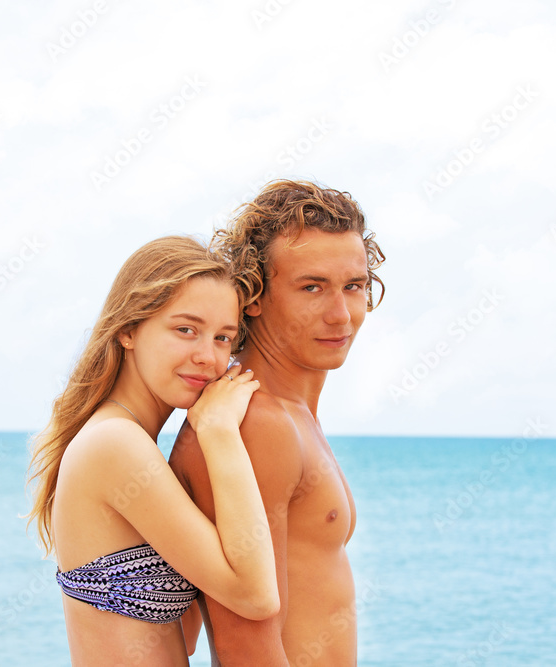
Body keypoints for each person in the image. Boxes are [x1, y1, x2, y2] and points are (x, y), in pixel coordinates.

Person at [26, 235, 280, 665]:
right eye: (186, 330)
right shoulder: (114, 444)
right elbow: (256, 596)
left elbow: (184, 637)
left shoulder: (129, 442)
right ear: (128, 329)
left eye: (223, 338)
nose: (208, 357)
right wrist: (219, 432)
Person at [169, 180, 386, 666]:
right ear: (254, 296)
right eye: (312, 287)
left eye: (353, 287)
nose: (340, 315)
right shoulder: (257, 424)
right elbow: (246, 644)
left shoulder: (287, 414)